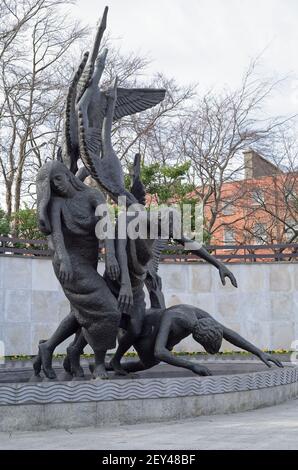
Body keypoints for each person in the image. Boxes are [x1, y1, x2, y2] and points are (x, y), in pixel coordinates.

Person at [35, 160, 132, 379]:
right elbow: (57, 235)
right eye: (52, 183)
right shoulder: (57, 204)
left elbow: (106, 227)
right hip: (68, 264)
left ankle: (48, 347)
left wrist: (112, 258)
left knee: (81, 313)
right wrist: (65, 260)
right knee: (108, 309)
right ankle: (99, 364)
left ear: (67, 176)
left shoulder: (92, 196)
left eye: (58, 178)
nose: (57, 185)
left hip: (88, 261)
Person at [108, 304, 283, 376]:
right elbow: (160, 351)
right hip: (144, 330)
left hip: (156, 331)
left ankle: (107, 366)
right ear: (200, 340)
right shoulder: (174, 318)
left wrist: (259, 352)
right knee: (150, 361)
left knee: (147, 363)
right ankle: (113, 362)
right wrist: (192, 365)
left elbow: (228, 332)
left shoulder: (200, 317)